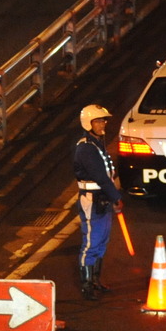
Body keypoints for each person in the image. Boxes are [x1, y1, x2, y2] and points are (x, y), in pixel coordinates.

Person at [73, 103, 124, 300]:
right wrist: (116, 197)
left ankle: (95, 280)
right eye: (99, 120)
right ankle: (86, 285)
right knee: (91, 243)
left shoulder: (96, 143)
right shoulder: (86, 148)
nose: (103, 124)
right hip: (92, 200)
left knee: (102, 241)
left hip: (101, 199)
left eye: (104, 120)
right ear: (89, 123)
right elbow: (101, 177)